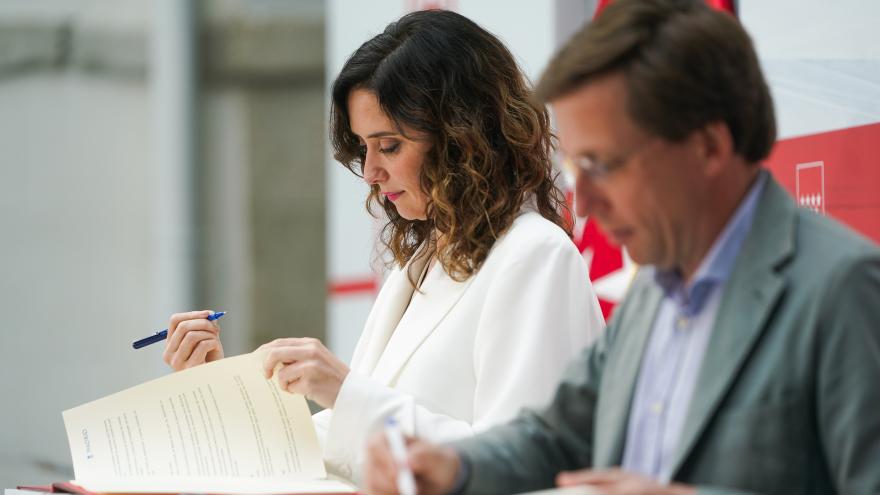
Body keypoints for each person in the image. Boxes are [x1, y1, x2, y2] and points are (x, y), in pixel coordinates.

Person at [363, 1, 880, 494]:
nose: (582, 201)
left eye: (604, 165)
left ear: (709, 147)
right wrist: (454, 467)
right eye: (575, 168)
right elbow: (557, 437)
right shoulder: (656, 289)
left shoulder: (843, 286)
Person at [162, 9, 605, 484]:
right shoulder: (426, 258)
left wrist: (343, 389)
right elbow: (338, 443)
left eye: (388, 146)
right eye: (363, 147)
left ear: (464, 137)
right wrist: (216, 390)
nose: (370, 171)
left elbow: (522, 465)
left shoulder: (535, 256)